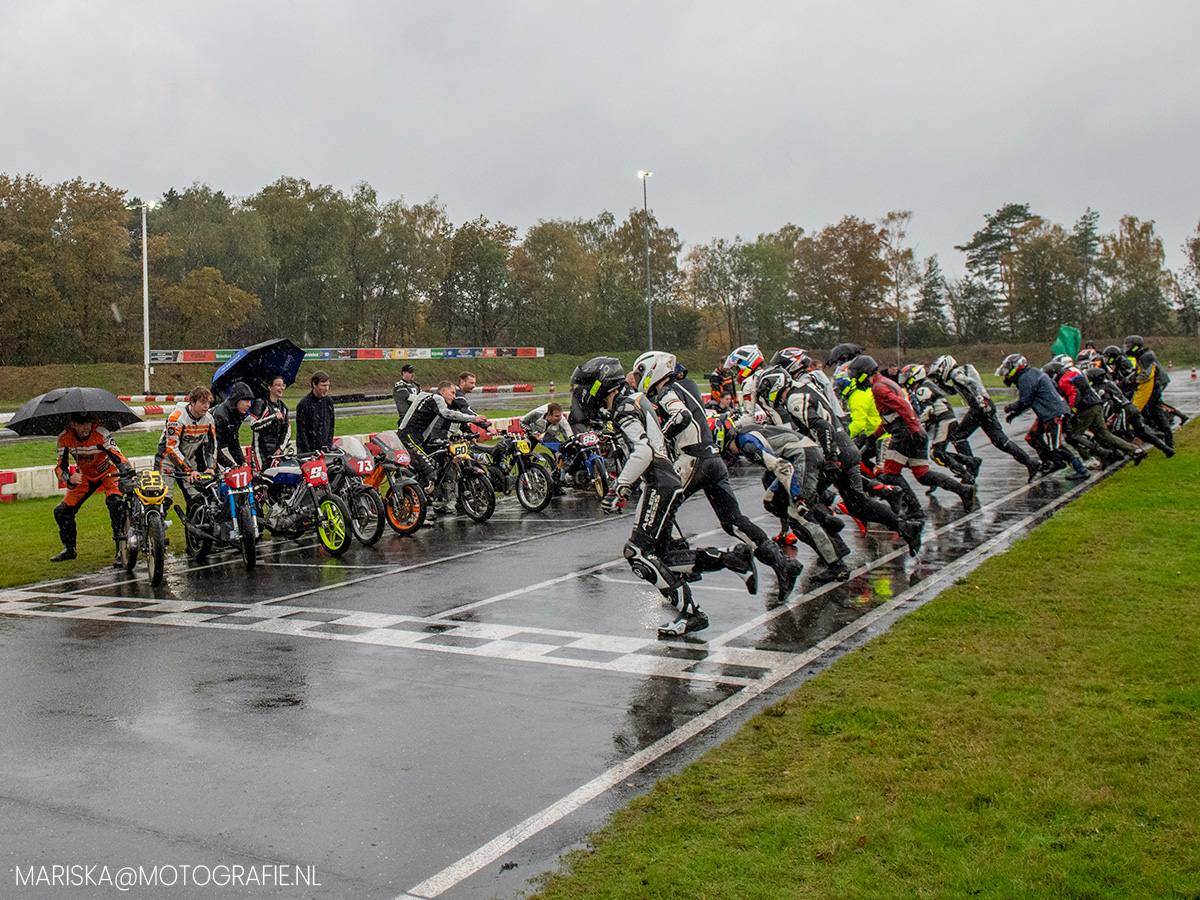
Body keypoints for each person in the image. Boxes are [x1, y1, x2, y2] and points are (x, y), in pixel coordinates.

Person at [572, 357, 758, 639]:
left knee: (636, 554)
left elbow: (643, 451)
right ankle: (732, 560)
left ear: (598, 386)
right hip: (663, 479)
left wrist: (619, 487)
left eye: (583, 388)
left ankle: (692, 614)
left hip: (659, 481)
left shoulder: (623, 409)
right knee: (664, 559)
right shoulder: (633, 400)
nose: (580, 395)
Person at [631, 350, 803, 602]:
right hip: (713, 459)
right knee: (733, 521)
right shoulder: (687, 385)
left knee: (661, 506)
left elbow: (681, 415)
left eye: (640, 373)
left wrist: (661, 435)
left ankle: (679, 562)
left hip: (693, 458)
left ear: (654, 369)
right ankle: (782, 563)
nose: (639, 378)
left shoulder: (669, 393)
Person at [719, 416, 854, 584]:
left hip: (801, 458)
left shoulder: (747, 445)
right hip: (801, 454)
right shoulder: (746, 434)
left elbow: (783, 467)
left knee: (799, 517)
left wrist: (797, 497)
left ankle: (837, 565)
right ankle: (825, 521)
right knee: (772, 501)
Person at [853, 355, 978, 515]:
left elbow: (903, 407)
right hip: (913, 430)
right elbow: (891, 417)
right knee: (923, 474)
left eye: (856, 375)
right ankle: (963, 490)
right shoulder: (886, 382)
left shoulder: (879, 387)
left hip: (905, 433)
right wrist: (873, 436)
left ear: (864, 373)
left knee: (890, 474)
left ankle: (914, 509)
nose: (855, 380)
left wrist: (912, 429)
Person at [929, 354, 1040, 481]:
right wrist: (941, 384)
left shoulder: (955, 373)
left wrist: (978, 398)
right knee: (1000, 441)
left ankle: (972, 467)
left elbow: (971, 382)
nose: (938, 375)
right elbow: (954, 391)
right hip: (986, 405)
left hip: (979, 407)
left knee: (957, 437)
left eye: (939, 372)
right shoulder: (961, 371)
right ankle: (1029, 463)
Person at [51, 413, 131, 565]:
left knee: (116, 505)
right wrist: (69, 478)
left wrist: (126, 469)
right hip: (85, 476)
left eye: (88, 422)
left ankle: (121, 550)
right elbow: (60, 466)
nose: (86, 426)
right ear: (73, 424)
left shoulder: (101, 433)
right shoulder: (64, 437)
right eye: (81, 423)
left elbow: (118, 456)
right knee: (62, 511)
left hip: (109, 472)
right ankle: (69, 549)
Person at [996, 354, 1088, 481]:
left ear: (1016, 367)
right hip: (1047, 413)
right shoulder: (1031, 373)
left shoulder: (1025, 378)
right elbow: (1030, 400)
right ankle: (1052, 462)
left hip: (1053, 413)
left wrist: (1010, 408)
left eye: (1008, 369)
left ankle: (1081, 469)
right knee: (1032, 437)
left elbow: (1025, 401)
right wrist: (1014, 414)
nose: (1006, 374)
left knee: (1056, 446)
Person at [1042, 359, 1145, 466]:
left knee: (1073, 436)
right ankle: (1134, 450)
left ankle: (1090, 459)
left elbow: (1075, 394)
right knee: (1104, 435)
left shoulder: (1064, 380)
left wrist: (1071, 409)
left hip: (1087, 407)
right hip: (1096, 403)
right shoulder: (1074, 374)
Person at [899, 364, 981, 486]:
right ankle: (970, 461)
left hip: (944, 421)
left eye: (907, 376)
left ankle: (965, 472)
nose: (904, 379)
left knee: (937, 453)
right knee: (937, 453)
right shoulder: (924, 385)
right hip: (945, 420)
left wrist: (916, 423)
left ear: (915, 376)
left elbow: (927, 411)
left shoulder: (922, 389)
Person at [398, 380, 491, 487]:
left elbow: (453, 417)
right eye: (452, 393)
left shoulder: (430, 398)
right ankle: (422, 494)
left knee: (441, 459)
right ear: (443, 391)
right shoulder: (437, 398)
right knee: (430, 473)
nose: (454, 397)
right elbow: (447, 414)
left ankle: (441, 490)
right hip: (409, 437)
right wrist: (473, 418)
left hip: (421, 438)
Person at [157, 385, 217, 505]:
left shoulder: (209, 419)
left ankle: (194, 521)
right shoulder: (177, 418)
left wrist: (210, 466)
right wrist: (188, 471)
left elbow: (211, 445)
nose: (206, 406)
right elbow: (171, 449)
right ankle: (158, 522)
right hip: (167, 460)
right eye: (203, 402)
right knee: (164, 500)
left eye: (208, 403)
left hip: (189, 459)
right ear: (192, 402)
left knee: (198, 498)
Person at [1123, 335, 1174, 452]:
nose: (1127, 349)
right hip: (1155, 384)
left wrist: (1133, 380)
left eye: (1129, 346)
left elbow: (1146, 374)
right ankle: (1164, 438)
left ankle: (1156, 436)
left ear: (1135, 346)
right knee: (1154, 412)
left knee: (1148, 411)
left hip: (1155, 385)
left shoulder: (1145, 356)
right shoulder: (1143, 355)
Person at [247, 375, 291, 471]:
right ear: (270, 387)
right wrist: (273, 417)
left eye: (283, 385)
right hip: (260, 449)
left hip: (276, 451)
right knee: (261, 477)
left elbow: (287, 430)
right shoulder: (260, 403)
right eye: (278, 385)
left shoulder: (283, 407)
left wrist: (280, 448)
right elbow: (254, 425)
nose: (281, 388)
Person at [213, 381, 255, 468]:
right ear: (237, 400)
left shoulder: (237, 414)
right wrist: (231, 465)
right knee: (214, 478)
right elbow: (213, 448)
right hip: (202, 450)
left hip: (212, 450)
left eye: (250, 401)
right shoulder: (220, 416)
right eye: (246, 400)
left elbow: (234, 443)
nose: (249, 405)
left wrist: (243, 463)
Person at [295, 371, 335, 454]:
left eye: (328, 385)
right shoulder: (304, 404)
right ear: (314, 384)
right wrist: (308, 452)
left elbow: (331, 425)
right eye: (323, 385)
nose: (326, 389)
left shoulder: (328, 401)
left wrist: (329, 445)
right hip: (308, 450)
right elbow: (301, 431)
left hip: (324, 448)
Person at [392, 364, 420, 428]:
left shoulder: (416, 385)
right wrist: (421, 399)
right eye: (410, 372)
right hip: (405, 418)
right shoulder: (399, 386)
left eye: (413, 372)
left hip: (417, 417)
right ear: (404, 373)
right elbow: (408, 397)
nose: (413, 374)